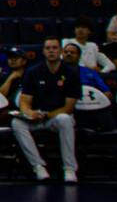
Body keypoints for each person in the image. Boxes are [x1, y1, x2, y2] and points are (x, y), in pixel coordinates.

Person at [13, 37, 80, 183]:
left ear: (60, 51)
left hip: (56, 117)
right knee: (17, 123)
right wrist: (30, 113)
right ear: (43, 51)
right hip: (37, 117)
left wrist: (48, 115)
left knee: (65, 119)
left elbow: (69, 107)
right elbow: (24, 102)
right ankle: (38, 166)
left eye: (55, 48)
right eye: (48, 48)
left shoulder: (71, 73)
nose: (51, 51)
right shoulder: (33, 72)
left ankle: (69, 169)